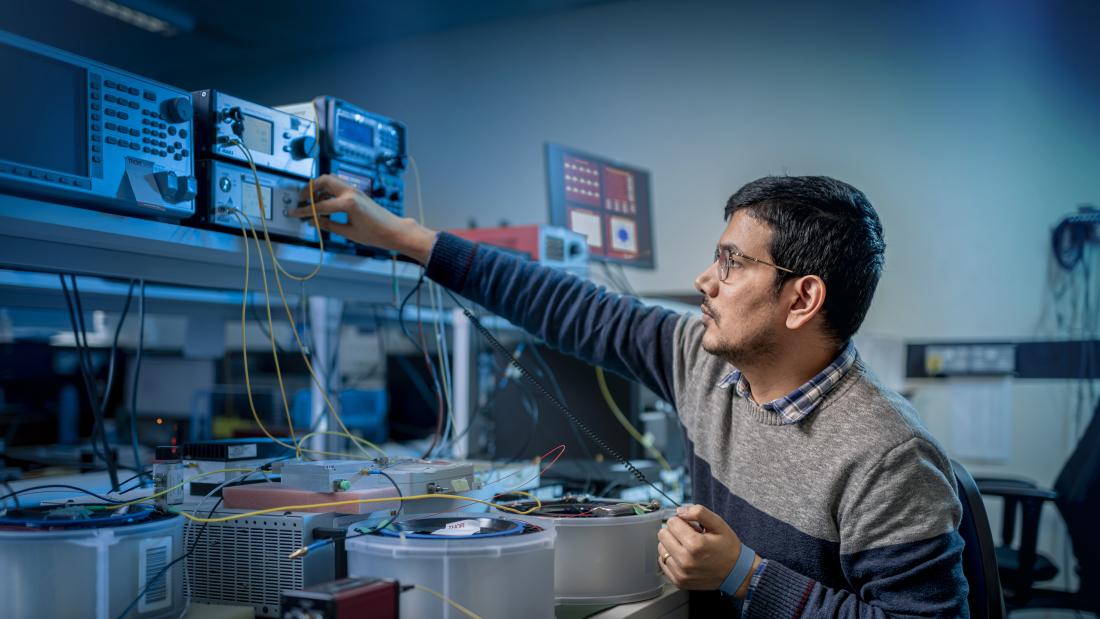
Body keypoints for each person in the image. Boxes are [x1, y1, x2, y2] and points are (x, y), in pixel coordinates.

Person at [291, 174, 968, 617]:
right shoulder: (701, 364)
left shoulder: (888, 456)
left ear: (803, 298)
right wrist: (396, 235)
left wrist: (746, 574)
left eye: (732, 261)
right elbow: (562, 303)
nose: (705, 278)